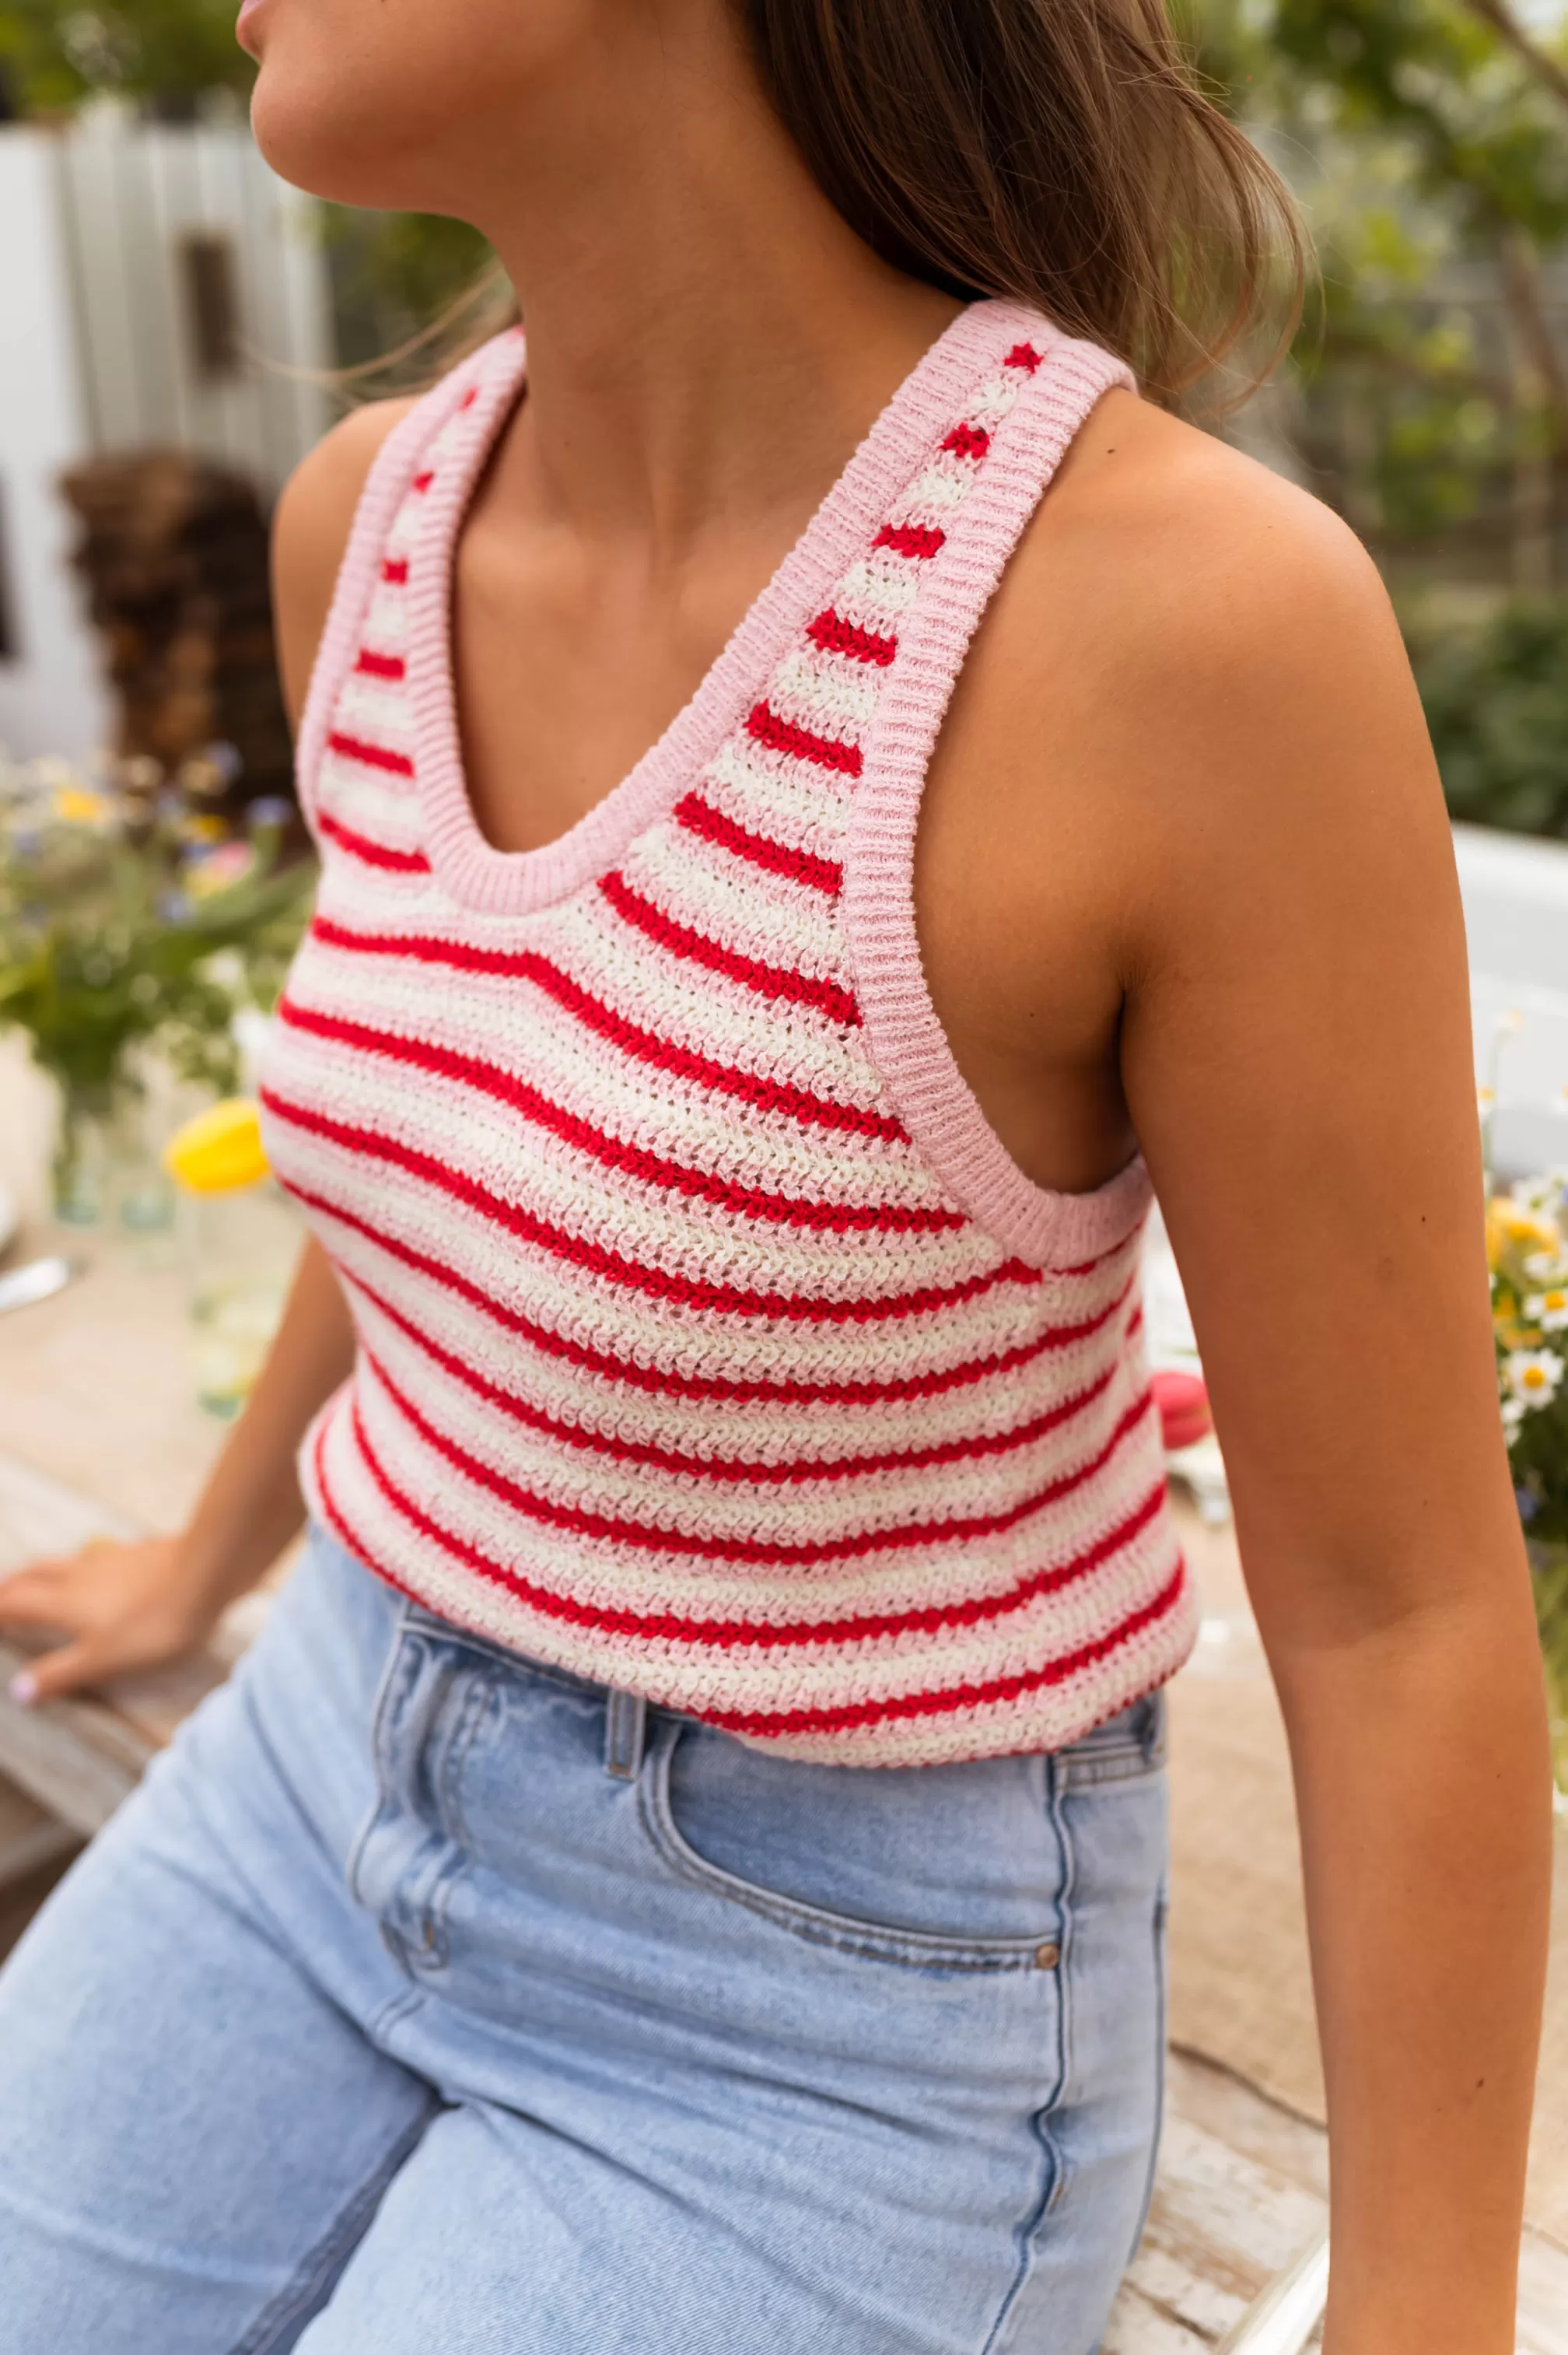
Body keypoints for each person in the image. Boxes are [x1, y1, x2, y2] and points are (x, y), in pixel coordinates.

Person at [0, 2, 1549, 2349]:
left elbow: (1399, 1607)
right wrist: (209, 1556)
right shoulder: (372, 521)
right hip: (324, 1752)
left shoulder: (1172, 630)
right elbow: (477, 1155)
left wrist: (1420, 2320)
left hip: (828, 2002)